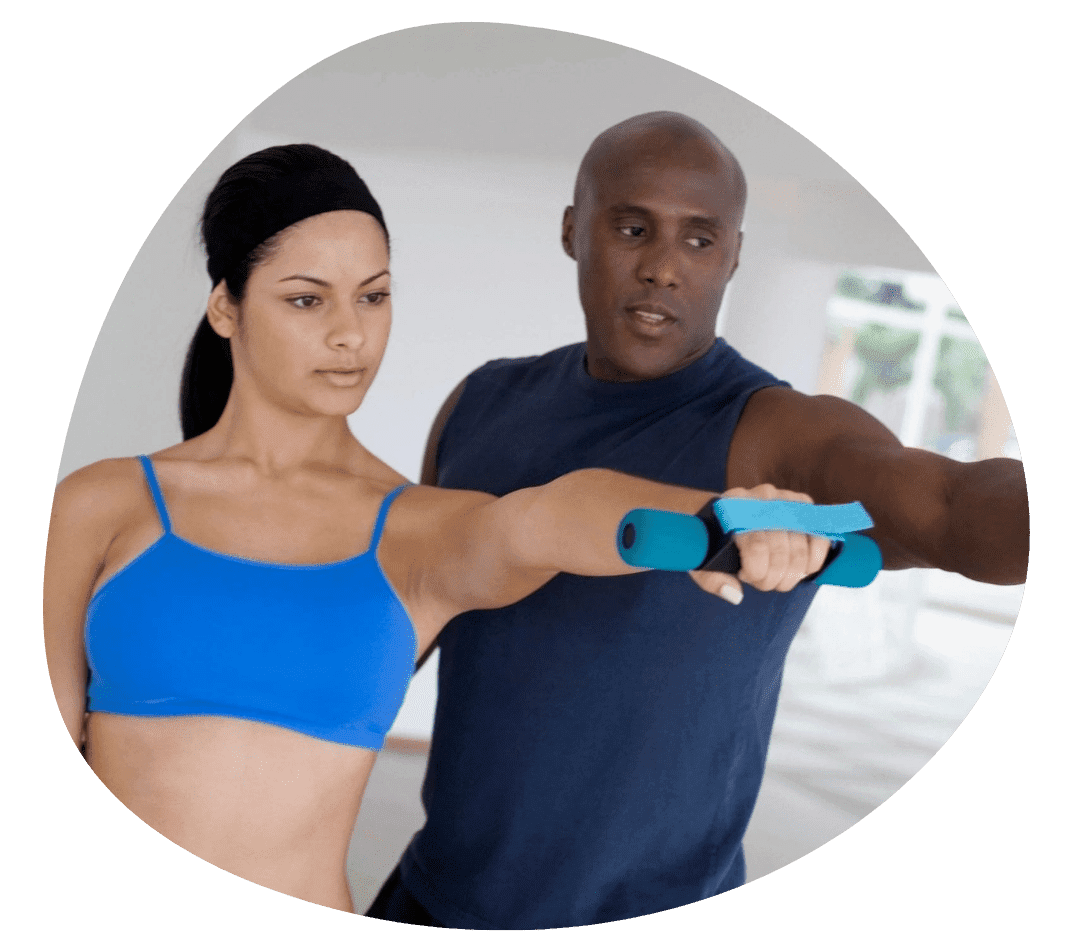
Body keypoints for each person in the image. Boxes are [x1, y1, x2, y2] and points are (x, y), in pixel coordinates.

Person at [43, 143, 828, 914]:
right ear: (226, 306)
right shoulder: (103, 504)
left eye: (373, 297)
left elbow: (547, 517)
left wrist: (710, 517)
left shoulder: (416, 532)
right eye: (307, 300)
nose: (350, 334)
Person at [367, 112, 1030, 929]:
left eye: (699, 240)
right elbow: (399, 631)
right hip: (433, 896)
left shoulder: (777, 434)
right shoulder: (481, 403)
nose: (662, 268)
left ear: (734, 256)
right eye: (632, 229)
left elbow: (950, 506)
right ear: (574, 230)